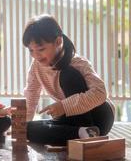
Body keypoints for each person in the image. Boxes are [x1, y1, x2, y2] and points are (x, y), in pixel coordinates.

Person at [22, 14, 115, 146]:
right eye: (31, 50)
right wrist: (23, 123)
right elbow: (31, 96)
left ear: (58, 42)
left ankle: (82, 132)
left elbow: (100, 93)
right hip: (76, 122)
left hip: (99, 117)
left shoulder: (77, 62)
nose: (36, 55)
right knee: (27, 129)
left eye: (41, 49)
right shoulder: (36, 66)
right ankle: (82, 134)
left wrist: (64, 106)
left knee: (68, 74)